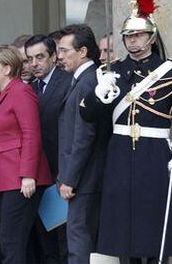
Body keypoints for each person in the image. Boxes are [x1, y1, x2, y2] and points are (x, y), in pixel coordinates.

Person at [80, 0, 172, 263]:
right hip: (120, 153)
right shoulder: (112, 72)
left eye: (138, 35)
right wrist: (98, 95)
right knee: (123, 226)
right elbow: (87, 115)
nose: (132, 41)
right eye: (128, 36)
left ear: (151, 37)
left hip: (155, 154)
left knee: (154, 220)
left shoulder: (171, 74)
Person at [0, 45, 51, 264]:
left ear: (7, 68)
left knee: (10, 240)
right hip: (6, 180)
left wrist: (28, 174)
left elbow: (31, 134)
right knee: (12, 240)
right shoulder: (3, 94)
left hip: (19, 179)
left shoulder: (21, 91)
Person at [56, 24, 108, 264]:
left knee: (79, 242)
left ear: (83, 51)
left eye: (65, 51)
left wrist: (70, 179)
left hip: (84, 180)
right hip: (85, 177)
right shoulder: (83, 79)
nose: (60, 56)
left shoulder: (87, 82)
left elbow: (83, 137)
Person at [25, 34, 71, 264]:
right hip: (37, 177)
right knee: (45, 245)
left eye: (40, 57)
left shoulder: (69, 82)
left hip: (62, 175)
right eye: (30, 58)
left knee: (65, 243)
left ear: (53, 57)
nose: (34, 63)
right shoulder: (29, 89)